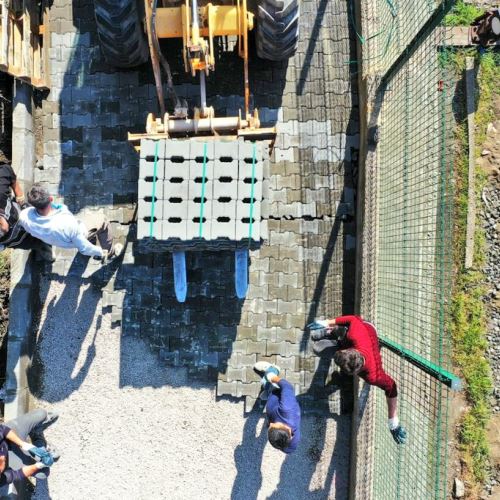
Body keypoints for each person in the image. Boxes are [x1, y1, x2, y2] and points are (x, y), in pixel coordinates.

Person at [308, 315, 407, 444]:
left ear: (355, 372)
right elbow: (353, 319)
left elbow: (391, 387)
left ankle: (333, 335)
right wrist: (326, 322)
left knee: (318, 348)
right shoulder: (355, 336)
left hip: (362, 335)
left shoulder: (373, 376)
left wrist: (393, 421)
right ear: (352, 350)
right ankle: (330, 331)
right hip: (362, 329)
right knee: (340, 332)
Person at [19, 183, 123, 262]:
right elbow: (84, 248)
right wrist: (100, 252)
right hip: (77, 233)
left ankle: (91, 239)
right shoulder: (67, 224)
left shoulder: (24, 217)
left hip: (63, 241)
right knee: (103, 220)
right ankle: (109, 252)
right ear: (51, 199)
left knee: (83, 232)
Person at [0, 162, 52, 257]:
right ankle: (41, 247)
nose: (3, 228)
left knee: (43, 228)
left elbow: (7, 171)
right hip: (15, 240)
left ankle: (48, 237)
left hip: (24, 214)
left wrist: (19, 195)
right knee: (32, 244)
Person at [0, 409, 58, 491]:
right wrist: (39, 465)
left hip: (8, 437)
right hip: (11, 459)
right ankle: (38, 438)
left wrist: (24, 445)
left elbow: (3, 430)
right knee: (43, 473)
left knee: (41, 414)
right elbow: (17, 474)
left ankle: (37, 439)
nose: (1, 470)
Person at [253, 361, 301, 454]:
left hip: (273, 403)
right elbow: (287, 387)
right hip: (277, 392)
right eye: (273, 426)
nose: (270, 424)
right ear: (290, 434)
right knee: (266, 380)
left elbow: (288, 450)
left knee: (266, 386)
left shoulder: (292, 442)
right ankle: (272, 369)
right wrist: (273, 377)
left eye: (271, 426)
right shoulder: (287, 408)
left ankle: (268, 391)